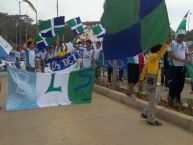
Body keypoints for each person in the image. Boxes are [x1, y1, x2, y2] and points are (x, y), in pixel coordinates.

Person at [140, 37, 172, 126]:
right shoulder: (152, 56)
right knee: (153, 101)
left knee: (155, 100)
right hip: (152, 82)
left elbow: (145, 69)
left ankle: (145, 113)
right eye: (160, 49)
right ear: (157, 50)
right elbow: (160, 54)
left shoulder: (153, 57)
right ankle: (151, 119)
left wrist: (142, 79)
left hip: (155, 82)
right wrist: (166, 44)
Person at [168, 30, 192, 104]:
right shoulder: (172, 43)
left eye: (183, 36)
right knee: (173, 84)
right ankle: (171, 100)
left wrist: (188, 59)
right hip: (173, 67)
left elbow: (187, 54)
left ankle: (177, 99)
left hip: (182, 67)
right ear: (176, 36)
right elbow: (170, 55)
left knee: (181, 84)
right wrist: (182, 59)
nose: (181, 38)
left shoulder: (185, 44)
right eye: (180, 36)